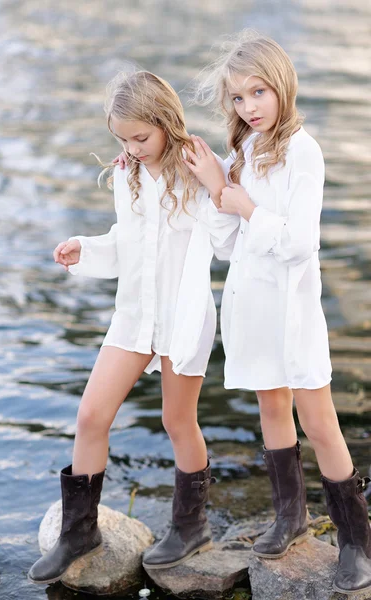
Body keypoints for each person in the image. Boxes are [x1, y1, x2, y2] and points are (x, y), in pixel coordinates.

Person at [178, 30, 371, 596]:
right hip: (252, 304)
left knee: (319, 420)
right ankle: (290, 516)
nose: (248, 107)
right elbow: (226, 244)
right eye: (237, 99)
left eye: (257, 92)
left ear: (281, 86)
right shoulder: (245, 151)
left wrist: (243, 203)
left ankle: (356, 542)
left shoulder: (301, 151)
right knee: (270, 406)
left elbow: (300, 243)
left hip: (292, 312)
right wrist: (218, 188)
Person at [27, 70, 225, 585]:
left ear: (165, 122)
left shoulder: (199, 169)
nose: (133, 149)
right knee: (92, 414)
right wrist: (85, 249)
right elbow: (127, 245)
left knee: (178, 421)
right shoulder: (126, 175)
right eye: (123, 140)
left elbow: (226, 240)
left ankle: (191, 526)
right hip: (135, 314)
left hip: (182, 315)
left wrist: (216, 182)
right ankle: (79, 531)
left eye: (141, 137)